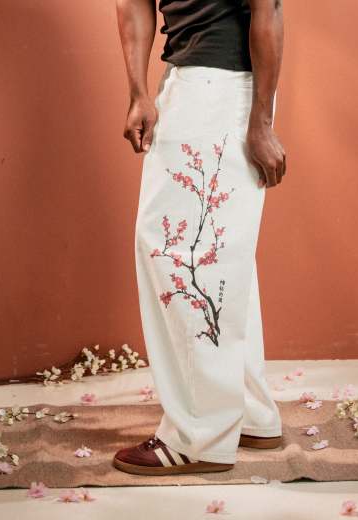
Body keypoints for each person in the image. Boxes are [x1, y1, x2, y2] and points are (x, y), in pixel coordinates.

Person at [113, 0, 286, 476]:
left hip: (219, 90)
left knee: (183, 255)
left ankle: (199, 435)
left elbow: (267, 6)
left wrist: (260, 123)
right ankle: (247, 411)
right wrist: (139, 92)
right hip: (188, 81)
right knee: (218, 253)